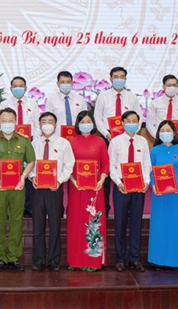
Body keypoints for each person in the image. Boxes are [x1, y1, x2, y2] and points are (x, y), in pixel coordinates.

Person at [0, 108, 36, 272]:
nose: (7, 123)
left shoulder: (24, 141)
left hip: (18, 187)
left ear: (16, 122)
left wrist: (23, 177)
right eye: (4, 120)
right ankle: (1, 257)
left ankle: (14, 256)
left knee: (17, 221)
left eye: (10, 120)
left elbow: (31, 161)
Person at [29, 112, 74, 271]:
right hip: (37, 189)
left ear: (55, 124)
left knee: (55, 225)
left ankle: (54, 260)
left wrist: (59, 180)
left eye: (50, 121)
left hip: (55, 189)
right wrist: (32, 177)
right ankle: (39, 260)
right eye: (44, 121)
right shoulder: (33, 143)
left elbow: (69, 165)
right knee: (38, 225)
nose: (47, 124)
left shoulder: (63, 143)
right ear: (39, 124)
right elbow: (28, 164)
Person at [93, 66, 141, 217]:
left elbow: (138, 118)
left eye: (122, 77)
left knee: (128, 170)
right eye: (116, 76)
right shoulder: (103, 96)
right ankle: (105, 208)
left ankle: (129, 205)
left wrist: (131, 134)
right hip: (108, 138)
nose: (119, 79)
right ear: (110, 78)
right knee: (106, 173)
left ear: (125, 79)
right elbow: (97, 118)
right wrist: (107, 134)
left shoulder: (132, 97)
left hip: (128, 139)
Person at [66, 110, 109, 271]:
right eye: (82, 122)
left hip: (95, 188)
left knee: (94, 222)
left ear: (93, 124)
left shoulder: (100, 141)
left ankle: (93, 260)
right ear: (78, 124)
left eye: (88, 121)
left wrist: (101, 180)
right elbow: (67, 164)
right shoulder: (71, 142)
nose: (86, 124)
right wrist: (74, 181)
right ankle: (75, 260)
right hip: (76, 187)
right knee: (76, 222)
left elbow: (106, 163)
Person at [108, 110, 150, 272]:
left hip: (139, 187)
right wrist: (118, 183)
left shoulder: (143, 141)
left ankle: (134, 258)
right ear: (123, 123)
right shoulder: (115, 142)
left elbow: (146, 164)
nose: (132, 124)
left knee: (136, 222)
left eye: (135, 121)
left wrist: (146, 181)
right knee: (120, 222)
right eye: (129, 121)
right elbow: (112, 166)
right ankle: (120, 259)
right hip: (122, 186)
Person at [148, 120, 178, 269]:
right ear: (158, 134)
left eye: (168, 130)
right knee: (159, 225)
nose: (165, 133)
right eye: (162, 131)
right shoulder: (154, 151)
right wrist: (153, 185)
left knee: (175, 225)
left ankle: (176, 260)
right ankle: (158, 260)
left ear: (174, 133)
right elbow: (150, 171)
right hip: (159, 194)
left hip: (176, 193)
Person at [0, 76, 41, 218]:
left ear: (26, 88)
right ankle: (9, 207)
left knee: (27, 172)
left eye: (21, 85)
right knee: (11, 171)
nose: (18, 88)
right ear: (11, 88)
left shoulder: (32, 103)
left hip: (28, 143)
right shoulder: (4, 104)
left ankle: (27, 206)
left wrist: (33, 142)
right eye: (15, 86)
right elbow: (0, 124)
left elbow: (37, 125)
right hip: (10, 143)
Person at [146, 74, 178, 144]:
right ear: (163, 86)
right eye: (169, 85)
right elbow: (149, 124)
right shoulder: (155, 103)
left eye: (174, 85)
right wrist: (158, 136)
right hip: (160, 140)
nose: (172, 87)